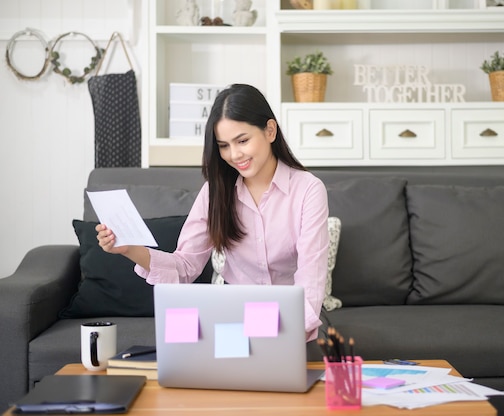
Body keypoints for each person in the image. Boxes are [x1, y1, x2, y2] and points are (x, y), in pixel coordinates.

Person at [96, 84, 330, 341]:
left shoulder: (308, 190)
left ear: (270, 131)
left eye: (242, 141)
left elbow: (311, 281)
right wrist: (128, 248)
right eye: (224, 145)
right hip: (234, 319)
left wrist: (280, 337)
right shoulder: (215, 192)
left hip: (290, 324)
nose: (234, 154)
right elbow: (185, 266)